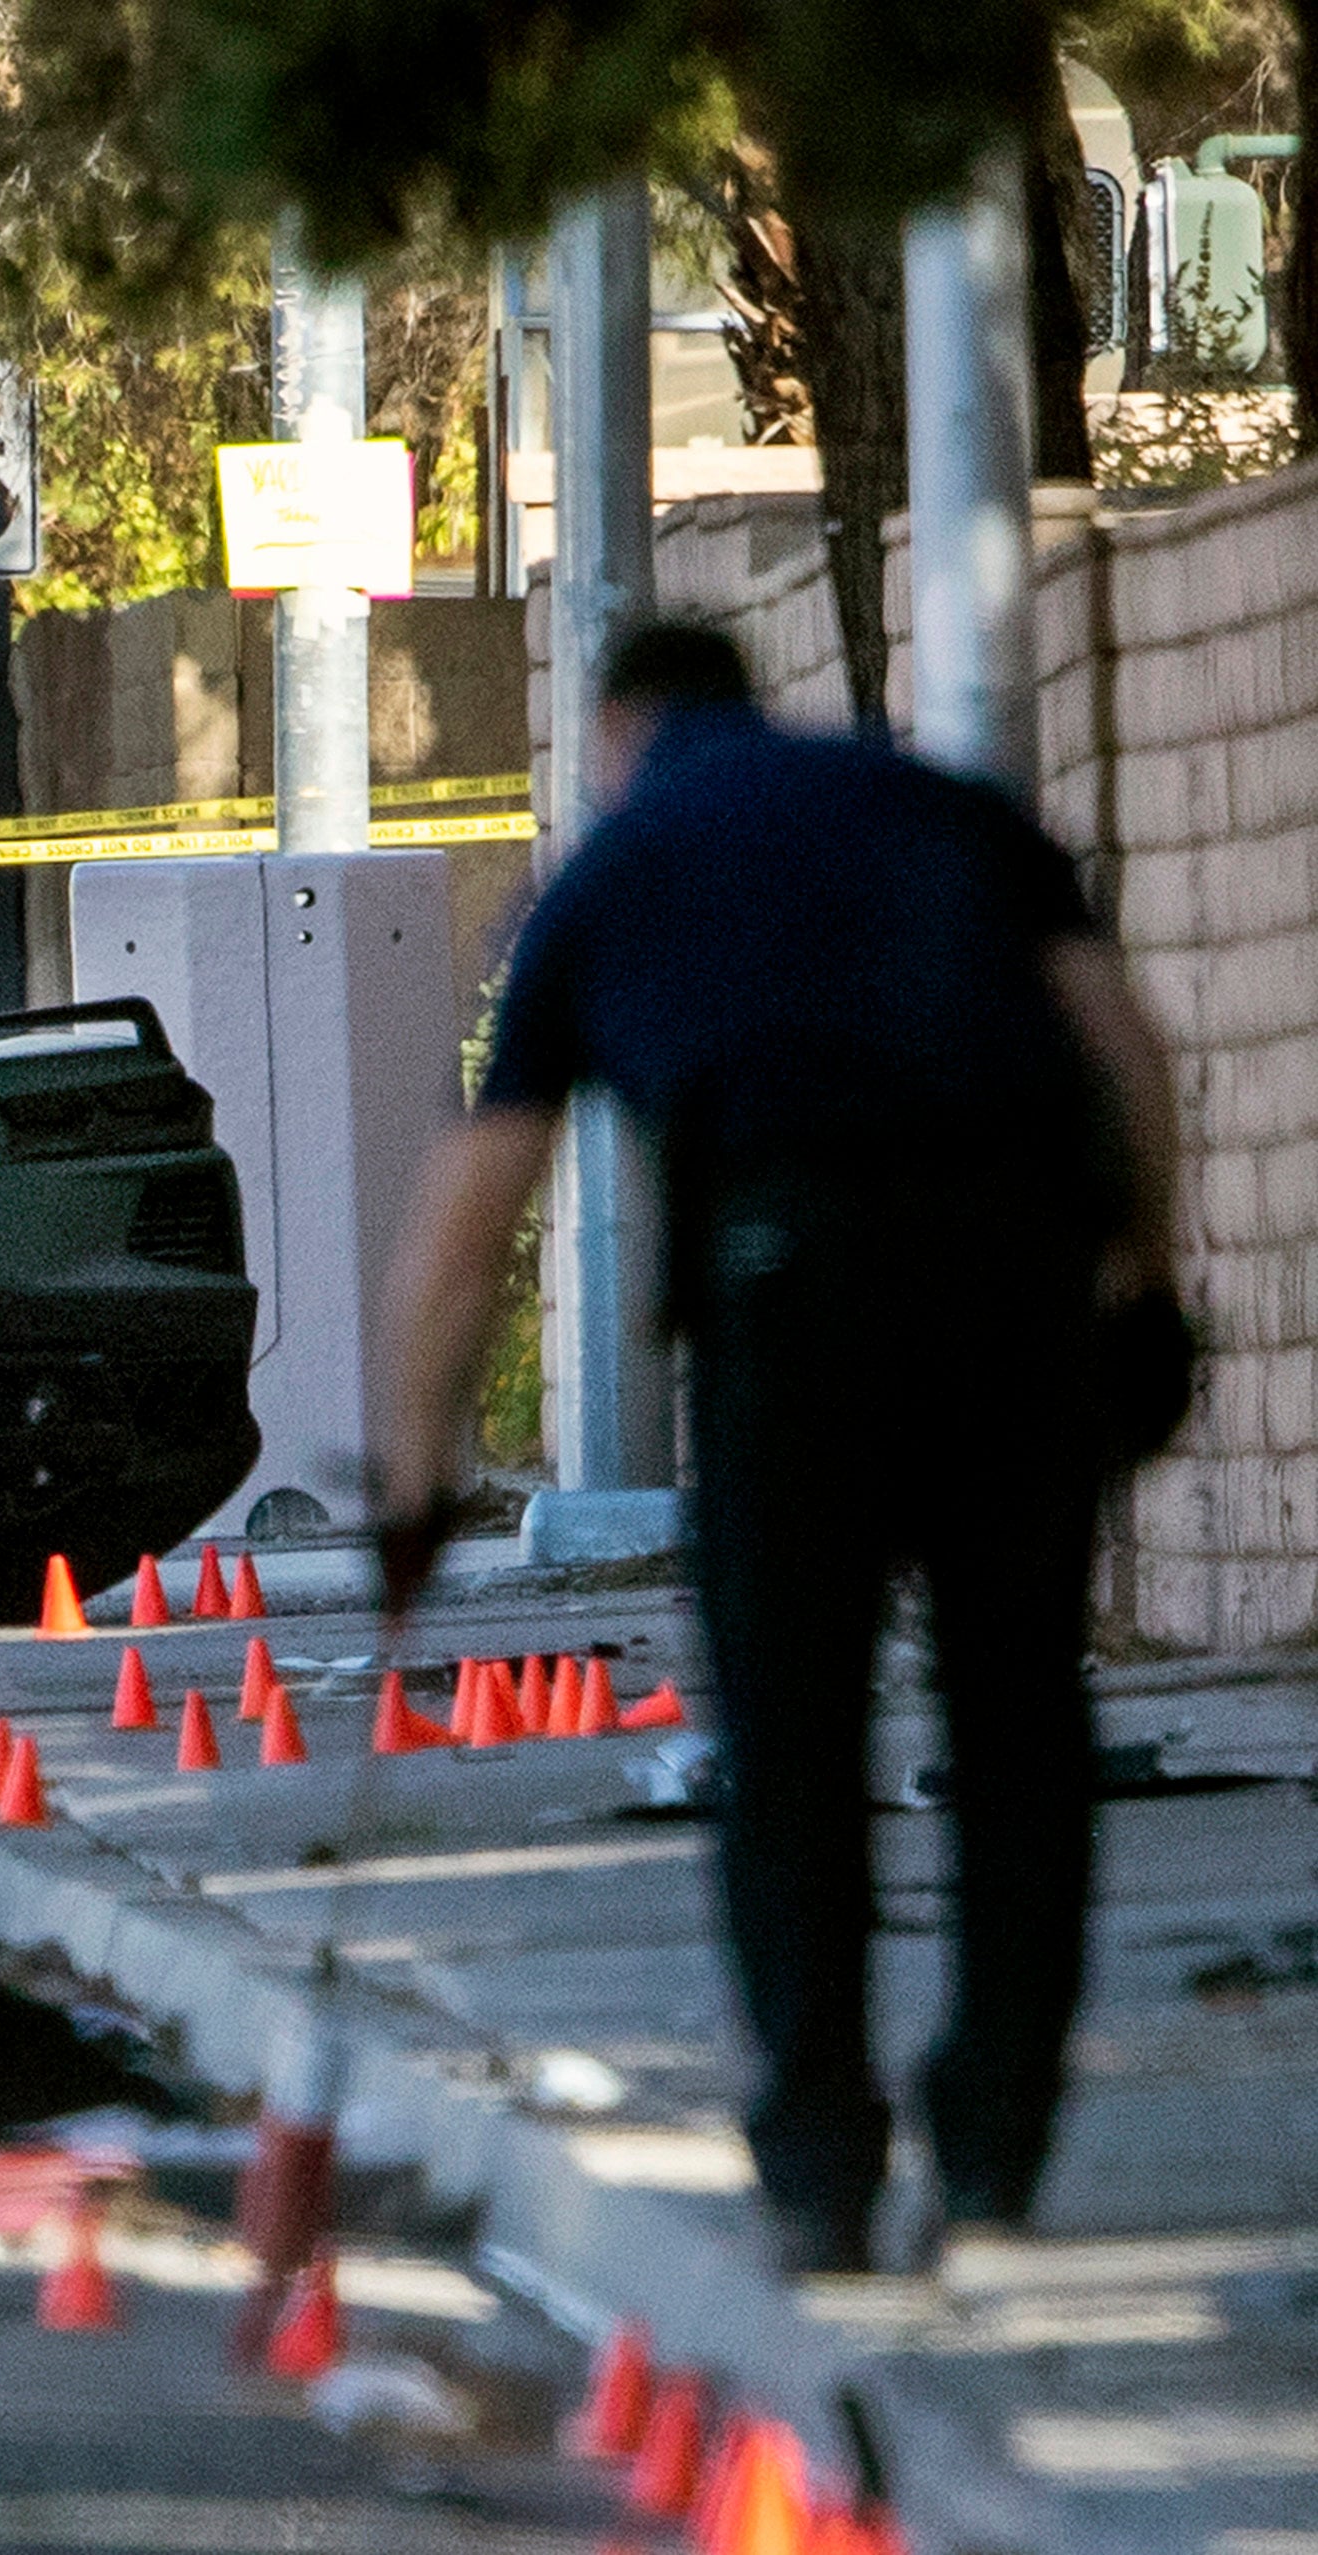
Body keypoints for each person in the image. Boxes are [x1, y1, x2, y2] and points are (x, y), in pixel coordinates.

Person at [378, 620, 1186, 2274]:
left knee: (793, 1739)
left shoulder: (612, 872)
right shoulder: (940, 804)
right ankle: (994, 2149)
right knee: (1017, 1715)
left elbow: (467, 1224)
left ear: (617, 733)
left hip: (787, 1284)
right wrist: (1141, 1274)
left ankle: (818, 2162)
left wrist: (411, 1475)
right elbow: (1124, 1048)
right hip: (1010, 1271)